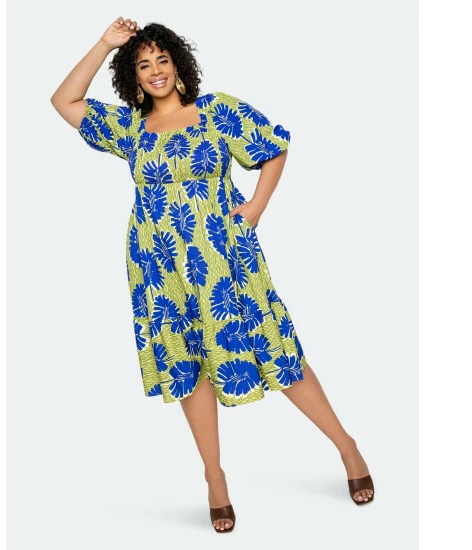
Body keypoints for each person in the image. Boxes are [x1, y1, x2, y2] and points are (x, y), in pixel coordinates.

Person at [51, 17, 375, 533]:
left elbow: (273, 147)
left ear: (178, 65)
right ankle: (214, 477)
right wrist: (104, 44)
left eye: (162, 59)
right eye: (143, 64)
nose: (155, 70)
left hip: (225, 258)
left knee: (277, 349)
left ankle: (347, 446)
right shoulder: (130, 127)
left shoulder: (216, 111)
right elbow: (64, 101)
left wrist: (257, 207)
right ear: (133, 77)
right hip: (159, 264)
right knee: (188, 363)